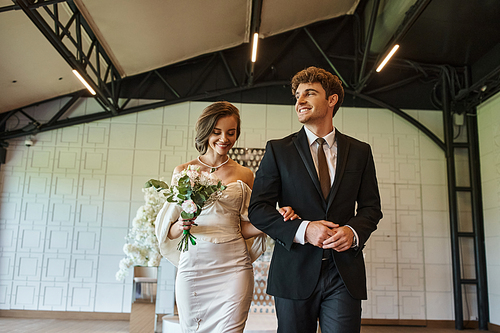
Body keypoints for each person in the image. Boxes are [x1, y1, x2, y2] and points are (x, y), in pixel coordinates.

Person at [248, 67, 383, 333]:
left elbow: (371, 208)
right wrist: (304, 230)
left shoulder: (360, 152)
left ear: (332, 100)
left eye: (309, 93)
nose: (300, 101)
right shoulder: (278, 150)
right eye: (297, 95)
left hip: (344, 272)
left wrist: (353, 231)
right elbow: (258, 209)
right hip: (294, 271)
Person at [155, 101, 298, 333]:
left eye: (231, 133)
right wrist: (181, 225)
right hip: (194, 267)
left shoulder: (245, 174)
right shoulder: (183, 172)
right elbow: (169, 231)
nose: (224, 139)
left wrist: (275, 219)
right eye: (217, 132)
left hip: (234, 267)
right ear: (205, 131)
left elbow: (244, 227)